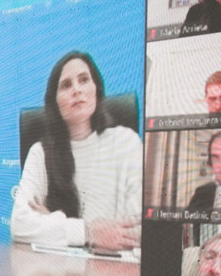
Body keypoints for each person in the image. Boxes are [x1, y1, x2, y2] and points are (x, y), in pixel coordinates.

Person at [11, 52, 142, 250]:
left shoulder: (126, 142)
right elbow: (20, 224)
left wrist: (52, 221)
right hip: (57, 275)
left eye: (83, 80)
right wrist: (89, 231)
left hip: (114, 273)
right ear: (54, 101)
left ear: (96, 89)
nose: (77, 90)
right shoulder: (41, 153)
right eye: (66, 85)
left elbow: (137, 231)